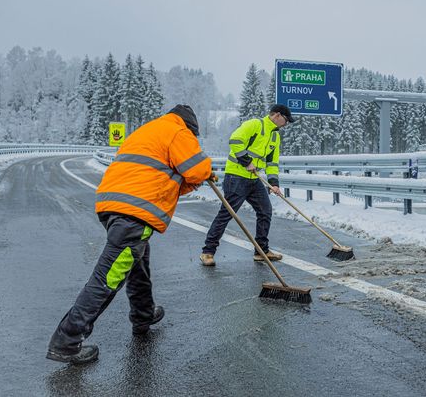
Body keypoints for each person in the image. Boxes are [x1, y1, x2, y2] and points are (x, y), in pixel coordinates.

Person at [47, 105, 216, 364]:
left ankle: (143, 313)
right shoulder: (178, 131)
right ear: (191, 127)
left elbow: (162, 181)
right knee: (109, 276)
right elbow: (196, 168)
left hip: (113, 204)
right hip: (134, 212)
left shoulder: (149, 131)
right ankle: (67, 341)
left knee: (138, 261)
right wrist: (205, 172)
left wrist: (192, 181)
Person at [200, 104, 294, 266]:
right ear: (277, 115)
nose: (285, 124)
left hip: (254, 179)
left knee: (265, 211)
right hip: (236, 176)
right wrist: (246, 161)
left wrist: (274, 183)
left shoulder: (275, 137)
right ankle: (208, 252)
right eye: (285, 120)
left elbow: (272, 162)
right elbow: (235, 140)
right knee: (227, 214)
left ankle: (261, 251)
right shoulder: (255, 124)